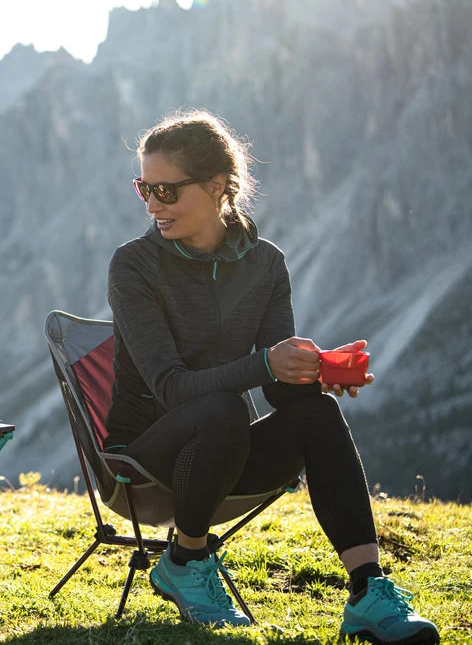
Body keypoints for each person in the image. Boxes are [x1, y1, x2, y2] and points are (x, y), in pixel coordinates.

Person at [105, 110, 438, 643]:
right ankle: (185, 561)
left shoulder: (265, 264)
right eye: (143, 188)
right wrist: (266, 363)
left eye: (165, 191)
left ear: (216, 186)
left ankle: (368, 590)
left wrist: (313, 372)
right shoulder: (134, 265)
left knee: (317, 412)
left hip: (223, 454)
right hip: (143, 460)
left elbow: (276, 390)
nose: (151, 205)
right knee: (223, 409)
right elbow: (170, 388)